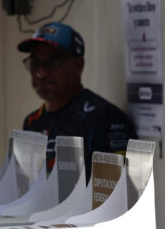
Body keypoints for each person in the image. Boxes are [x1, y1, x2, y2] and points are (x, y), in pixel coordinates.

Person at [18, 22, 137, 176]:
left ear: (78, 65)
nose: (41, 73)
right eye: (35, 63)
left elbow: (117, 195)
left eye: (52, 63)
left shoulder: (105, 119)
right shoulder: (32, 123)